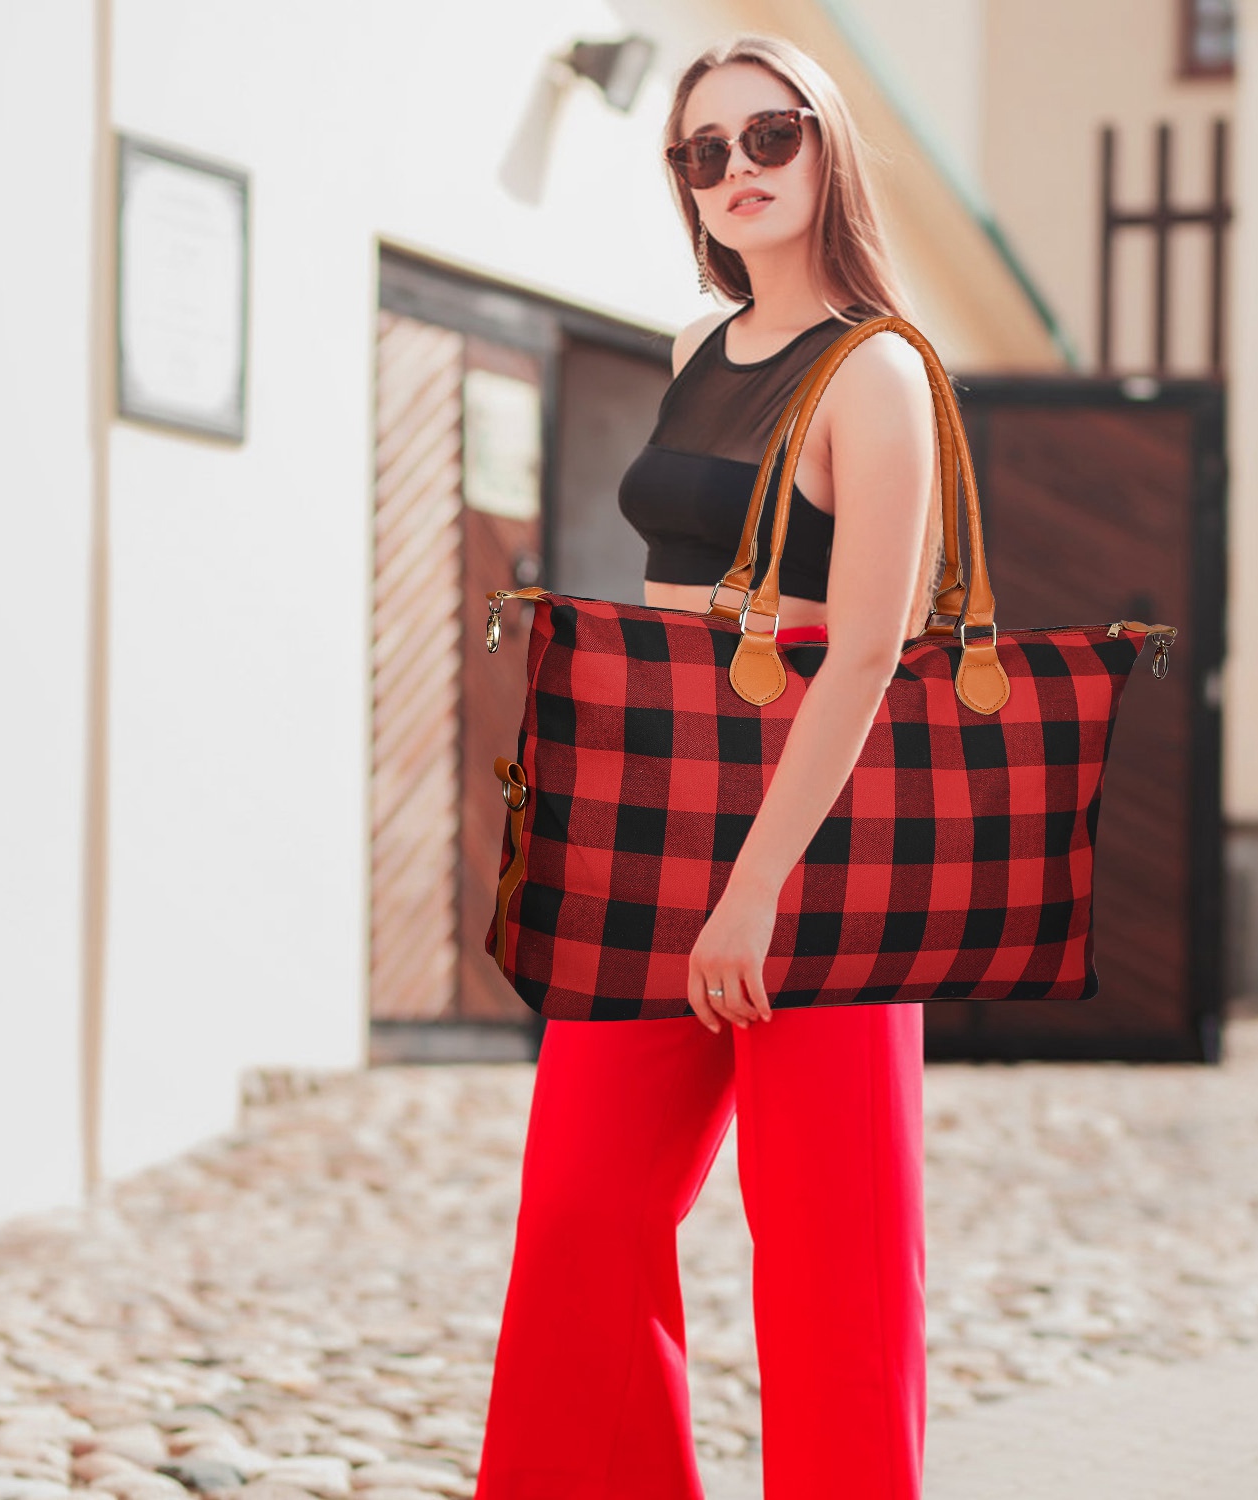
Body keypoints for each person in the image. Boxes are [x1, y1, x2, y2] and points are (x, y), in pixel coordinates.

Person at [474, 32, 943, 1500]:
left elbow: (868, 652)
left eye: (768, 135)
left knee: (832, 1266)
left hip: (820, 840)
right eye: (702, 150)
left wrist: (754, 889)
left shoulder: (880, 371)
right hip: (657, 809)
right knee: (580, 1219)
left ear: (825, 146)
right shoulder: (694, 348)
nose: (736, 169)